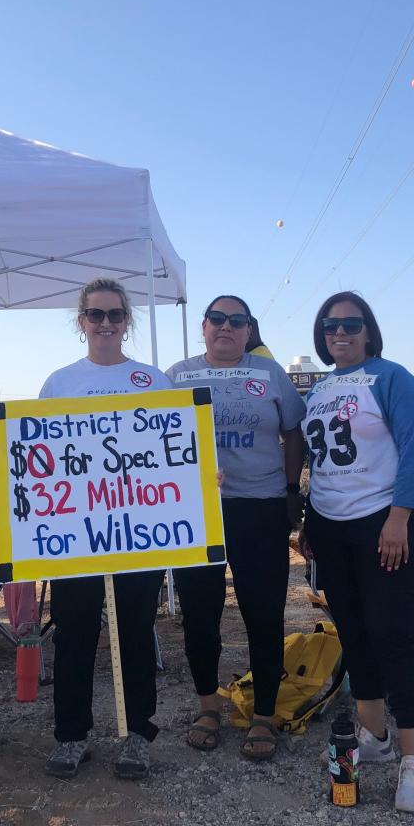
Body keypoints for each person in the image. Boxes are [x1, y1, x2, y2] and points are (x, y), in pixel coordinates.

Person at [298, 291, 414, 813]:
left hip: (385, 522)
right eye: (331, 325)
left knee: (394, 635)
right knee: (353, 632)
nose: (340, 333)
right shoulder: (319, 390)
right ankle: (374, 734)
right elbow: (322, 462)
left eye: (351, 324)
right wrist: (310, 517)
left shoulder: (393, 377)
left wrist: (402, 515)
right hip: (332, 527)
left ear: (368, 329)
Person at [39, 277, 170, 781]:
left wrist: (200, 477)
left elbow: (172, 451)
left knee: (135, 630)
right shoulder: (61, 382)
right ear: (82, 321)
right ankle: (71, 736)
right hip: (76, 535)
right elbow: (39, 457)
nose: (106, 323)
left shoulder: (152, 381)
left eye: (115, 314)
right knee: (74, 633)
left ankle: (137, 734)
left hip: (138, 531)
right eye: (96, 314)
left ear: (127, 321)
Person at [165, 294, 306, 760]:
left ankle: (264, 713)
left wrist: (290, 489)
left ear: (249, 330)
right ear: (203, 326)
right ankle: (208, 706)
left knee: (262, 612)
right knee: (200, 612)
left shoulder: (269, 374)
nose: (226, 327)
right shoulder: (176, 376)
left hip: (260, 506)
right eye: (218, 319)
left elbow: (294, 433)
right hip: (197, 512)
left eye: (237, 321)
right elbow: (153, 437)